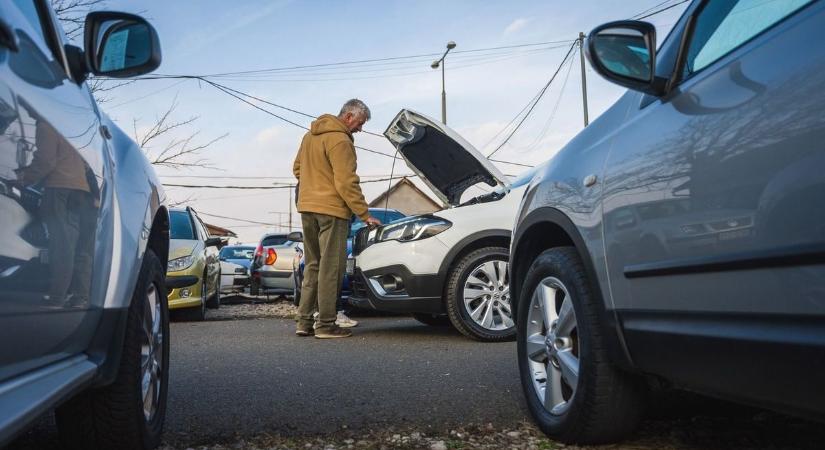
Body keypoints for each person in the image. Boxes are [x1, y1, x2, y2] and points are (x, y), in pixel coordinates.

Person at [293, 99, 381, 338]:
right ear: (349, 116)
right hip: (332, 211)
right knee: (331, 268)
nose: (360, 129)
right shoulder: (341, 140)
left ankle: (304, 321)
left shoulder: (309, 136)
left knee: (313, 265)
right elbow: (346, 182)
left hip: (307, 208)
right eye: (360, 123)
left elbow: (297, 169)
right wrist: (365, 214)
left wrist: (314, 186)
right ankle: (325, 325)